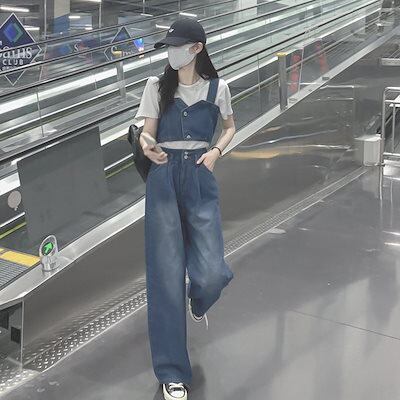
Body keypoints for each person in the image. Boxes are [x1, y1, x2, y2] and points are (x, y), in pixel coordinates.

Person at [134, 17, 235, 400]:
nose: (172, 52)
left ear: (197, 48)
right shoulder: (156, 87)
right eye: (169, 46)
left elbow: (230, 126)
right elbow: (147, 132)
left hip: (199, 175)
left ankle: (200, 299)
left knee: (211, 273)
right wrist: (147, 145)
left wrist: (216, 152)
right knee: (165, 276)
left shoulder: (218, 88)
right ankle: (172, 373)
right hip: (163, 178)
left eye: (178, 46)